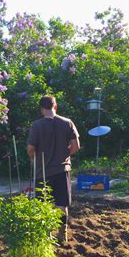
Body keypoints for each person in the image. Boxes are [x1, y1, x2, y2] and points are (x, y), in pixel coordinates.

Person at [27, 95, 80, 242]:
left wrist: (33, 159)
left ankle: (47, 235)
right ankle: (63, 234)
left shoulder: (37, 125)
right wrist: (64, 154)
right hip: (63, 170)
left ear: (41, 109)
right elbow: (76, 146)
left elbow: (31, 148)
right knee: (62, 204)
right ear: (55, 106)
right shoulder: (67, 123)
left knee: (44, 204)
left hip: (42, 172)